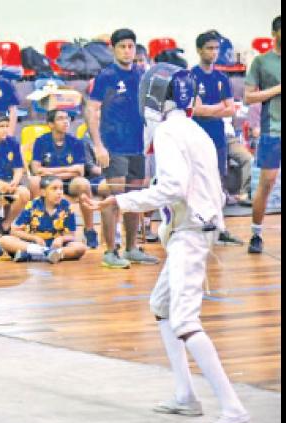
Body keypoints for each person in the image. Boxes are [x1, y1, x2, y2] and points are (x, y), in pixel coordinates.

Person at [82, 63, 253, 423]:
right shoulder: (193, 130)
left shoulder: (169, 131)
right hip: (192, 230)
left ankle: (233, 409)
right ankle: (185, 394)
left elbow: (173, 187)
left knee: (185, 321)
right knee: (161, 306)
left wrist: (120, 201)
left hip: (191, 234)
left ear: (154, 94)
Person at [85, 28, 159, 268]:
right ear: (112, 49)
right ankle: (110, 251)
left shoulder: (142, 75)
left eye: (131, 46)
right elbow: (91, 110)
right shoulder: (105, 76)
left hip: (137, 146)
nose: (127, 51)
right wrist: (98, 146)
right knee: (114, 199)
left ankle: (131, 248)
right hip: (113, 147)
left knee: (134, 199)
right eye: (122, 46)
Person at [190, 30, 244, 246]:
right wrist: (219, 107)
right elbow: (194, 110)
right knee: (195, 182)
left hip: (218, 138)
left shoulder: (222, 78)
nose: (213, 53)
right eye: (209, 48)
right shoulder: (189, 76)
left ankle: (220, 227)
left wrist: (210, 109)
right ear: (199, 50)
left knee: (218, 182)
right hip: (196, 137)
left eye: (216, 49)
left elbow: (231, 110)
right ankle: (196, 225)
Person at [29, 109, 98, 249]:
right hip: (48, 182)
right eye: (60, 118)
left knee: (83, 183)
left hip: (69, 182)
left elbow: (80, 170)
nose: (66, 121)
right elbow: (36, 169)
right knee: (34, 181)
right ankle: (39, 229)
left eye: (67, 118)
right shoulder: (41, 141)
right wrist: (67, 170)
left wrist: (51, 172)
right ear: (51, 124)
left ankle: (90, 230)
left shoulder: (76, 142)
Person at [244, 15, 281, 254]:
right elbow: (249, 97)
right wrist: (278, 89)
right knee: (266, 184)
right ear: (275, 33)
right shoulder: (261, 62)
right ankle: (256, 234)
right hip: (272, 130)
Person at [0, 175, 86, 263]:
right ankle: (46, 254)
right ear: (43, 192)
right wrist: (34, 238)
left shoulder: (67, 206)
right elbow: (15, 231)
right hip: (34, 245)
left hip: (57, 246)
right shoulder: (32, 205)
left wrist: (61, 239)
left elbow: (71, 235)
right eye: (54, 189)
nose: (59, 192)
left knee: (81, 247)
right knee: (4, 240)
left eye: (61, 188)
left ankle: (34, 256)